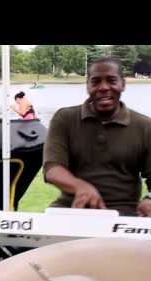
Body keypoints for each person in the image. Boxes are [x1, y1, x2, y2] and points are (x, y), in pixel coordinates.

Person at [43, 57, 151, 217]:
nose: (104, 87)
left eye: (111, 80)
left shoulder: (144, 126)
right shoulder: (64, 118)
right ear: (87, 86)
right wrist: (80, 186)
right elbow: (52, 169)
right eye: (96, 81)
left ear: (122, 84)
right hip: (71, 210)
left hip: (124, 214)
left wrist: (149, 199)